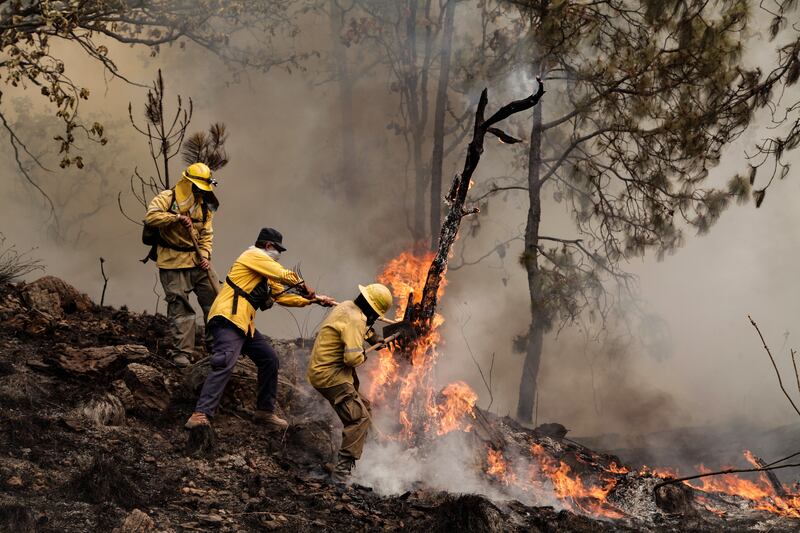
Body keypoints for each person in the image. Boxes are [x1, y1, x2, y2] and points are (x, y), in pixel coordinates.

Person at [185, 227, 335, 430]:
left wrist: (314, 301)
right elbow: (283, 274)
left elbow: (281, 296)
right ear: (268, 246)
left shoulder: (265, 274)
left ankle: (264, 412)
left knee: (269, 359)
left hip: (244, 324)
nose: (279, 255)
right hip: (228, 317)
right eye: (278, 250)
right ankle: (200, 413)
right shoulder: (252, 256)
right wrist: (303, 285)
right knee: (225, 361)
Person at [307, 283, 393, 483]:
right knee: (359, 419)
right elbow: (352, 359)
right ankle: (342, 473)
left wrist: (374, 338)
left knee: (366, 408)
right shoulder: (356, 320)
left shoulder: (347, 306)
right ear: (373, 310)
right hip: (331, 376)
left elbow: (359, 327)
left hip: (326, 371)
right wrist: (363, 354)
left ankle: (372, 461)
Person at [144, 162, 219, 367]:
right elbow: (151, 216)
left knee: (216, 301)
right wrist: (175, 218)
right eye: (196, 187)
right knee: (181, 308)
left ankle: (219, 347)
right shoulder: (168, 197)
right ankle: (182, 354)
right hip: (172, 261)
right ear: (187, 182)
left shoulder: (205, 205)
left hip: (197, 260)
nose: (198, 192)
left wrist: (204, 255)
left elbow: (207, 235)